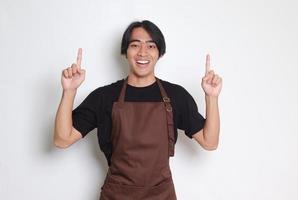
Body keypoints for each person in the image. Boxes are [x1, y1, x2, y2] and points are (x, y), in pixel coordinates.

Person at [54, 20, 222, 200]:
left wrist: (211, 97)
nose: (143, 52)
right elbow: (62, 140)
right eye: (135, 45)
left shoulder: (176, 96)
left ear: (159, 53)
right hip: (117, 195)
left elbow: (209, 142)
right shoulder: (104, 96)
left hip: (161, 195)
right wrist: (69, 91)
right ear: (125, 52)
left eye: (151, 45)